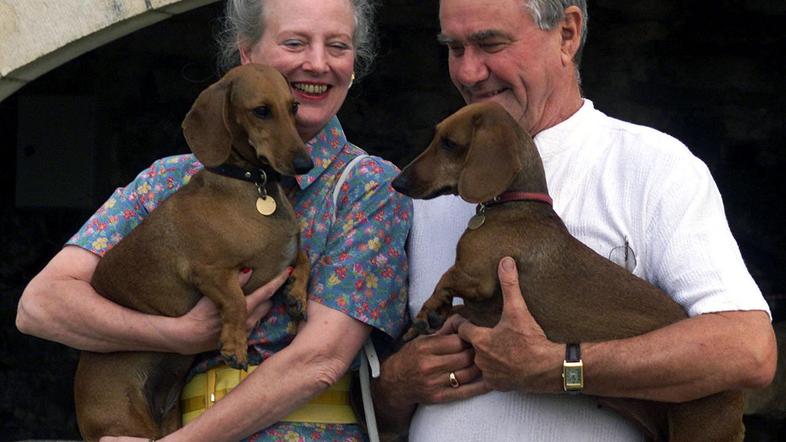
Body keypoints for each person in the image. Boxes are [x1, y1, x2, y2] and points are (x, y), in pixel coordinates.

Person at [371, 0, 777, 440]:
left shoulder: (652, 167)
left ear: (567, 33)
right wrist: (394, 386)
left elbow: (747, 350)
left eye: (490, 43)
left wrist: (560, 367)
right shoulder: (425, 191)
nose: (468, 72)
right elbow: (372, 410)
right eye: (454, 48)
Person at [16, 0, 411, 440]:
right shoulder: (168, 179)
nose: (317, 64)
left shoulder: (369, 186)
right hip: (154, 420)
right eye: (295, 42)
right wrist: (179, 336)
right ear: (247, 55)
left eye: (337, 46)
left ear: (354, 64)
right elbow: (40, 307)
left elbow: (320, 361)